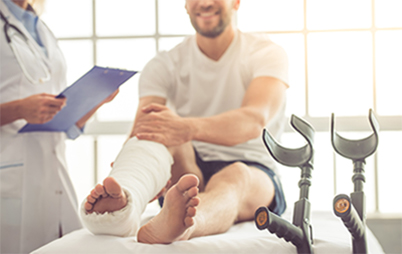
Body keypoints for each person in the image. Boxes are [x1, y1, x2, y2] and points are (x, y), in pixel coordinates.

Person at [80, 0, 288, 244]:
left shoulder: (265, 52)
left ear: (236, 2)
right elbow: (147, 127)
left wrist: (185, 128)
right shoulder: (165, 64)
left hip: (253, 170)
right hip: (188, 168)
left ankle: (184, 224)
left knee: (235, 175)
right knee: (157, 134)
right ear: (186, 5)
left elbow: (253, 121)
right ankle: (125, 203)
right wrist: (133, 158)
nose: (206, 3)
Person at [0, 0, 118, 253]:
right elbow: (26, 106)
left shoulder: (40, 28)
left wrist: (92, 103)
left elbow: (59, 123)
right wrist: (19, 109)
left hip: (53, 170)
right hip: (8, 173)